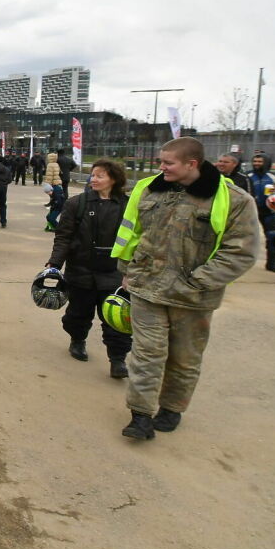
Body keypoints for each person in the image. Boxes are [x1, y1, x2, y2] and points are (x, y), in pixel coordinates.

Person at [111, 137, 258, 441]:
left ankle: (172, 408)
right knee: (146, 354)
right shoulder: (149, 188)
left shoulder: (234, 199)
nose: (160, 167)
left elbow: (241, 251)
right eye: (161, 161)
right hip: (147, 288)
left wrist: (200, 280)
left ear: (192, 163)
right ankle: (140, 415)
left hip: (194, 298)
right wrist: (127, 270)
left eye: (168, 162)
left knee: (184, 358)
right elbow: (131, 230)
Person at [47, 159, 132, 377]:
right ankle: (77, 340)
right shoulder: (77, 203)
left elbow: (135, 241)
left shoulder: (128, 206)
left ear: (113, 179)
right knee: (78, 314)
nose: (93, 179)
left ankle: (117, 359)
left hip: (114, 273)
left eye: (100, 176)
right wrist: (55, 263)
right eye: (92, 175)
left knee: (116, 318)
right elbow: (63, 236)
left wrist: (131, 271)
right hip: (81, 270)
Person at [246, 154, 275, 273]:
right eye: (255, 161)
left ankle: (272, 263)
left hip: (269, 212)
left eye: (260, 161)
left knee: (273, 237)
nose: (257, 163)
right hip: (250, 211)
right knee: (245, 237)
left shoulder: (274, 177)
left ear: (267, 162)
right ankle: (241, 263)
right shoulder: (248, 175)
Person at [44, 151, 64, 231]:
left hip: (54, 185)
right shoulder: (57, 164)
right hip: (58, 184)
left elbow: (49, 176)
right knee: (56, 199)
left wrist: (47, 186)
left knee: (55, 200)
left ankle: (55, 227)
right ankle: (51, 225)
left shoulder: (50, 165)